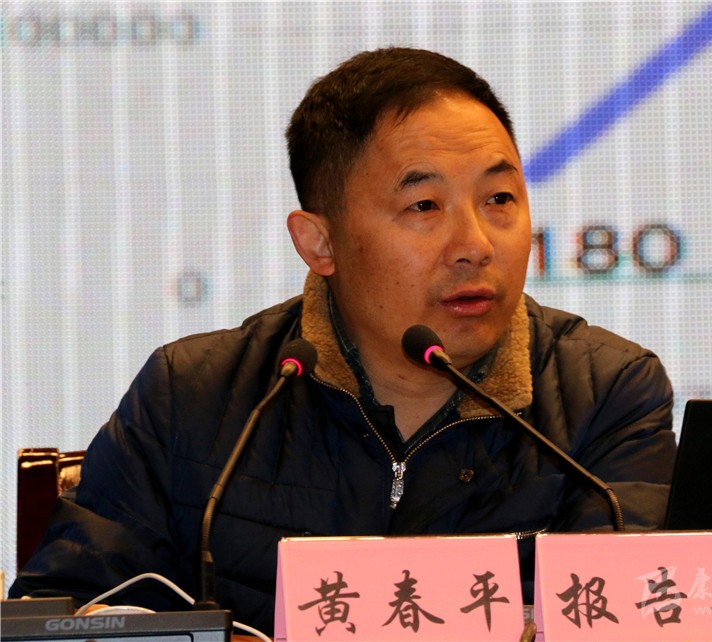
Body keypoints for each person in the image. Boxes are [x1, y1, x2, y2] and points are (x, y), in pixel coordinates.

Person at [10, 47, 676, 635]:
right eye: (424, 206)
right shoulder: (193, 396)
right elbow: (65, 615)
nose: (475, 245)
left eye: (499, 199)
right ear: (319, 242)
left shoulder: (604, 393)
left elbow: (635, 620)